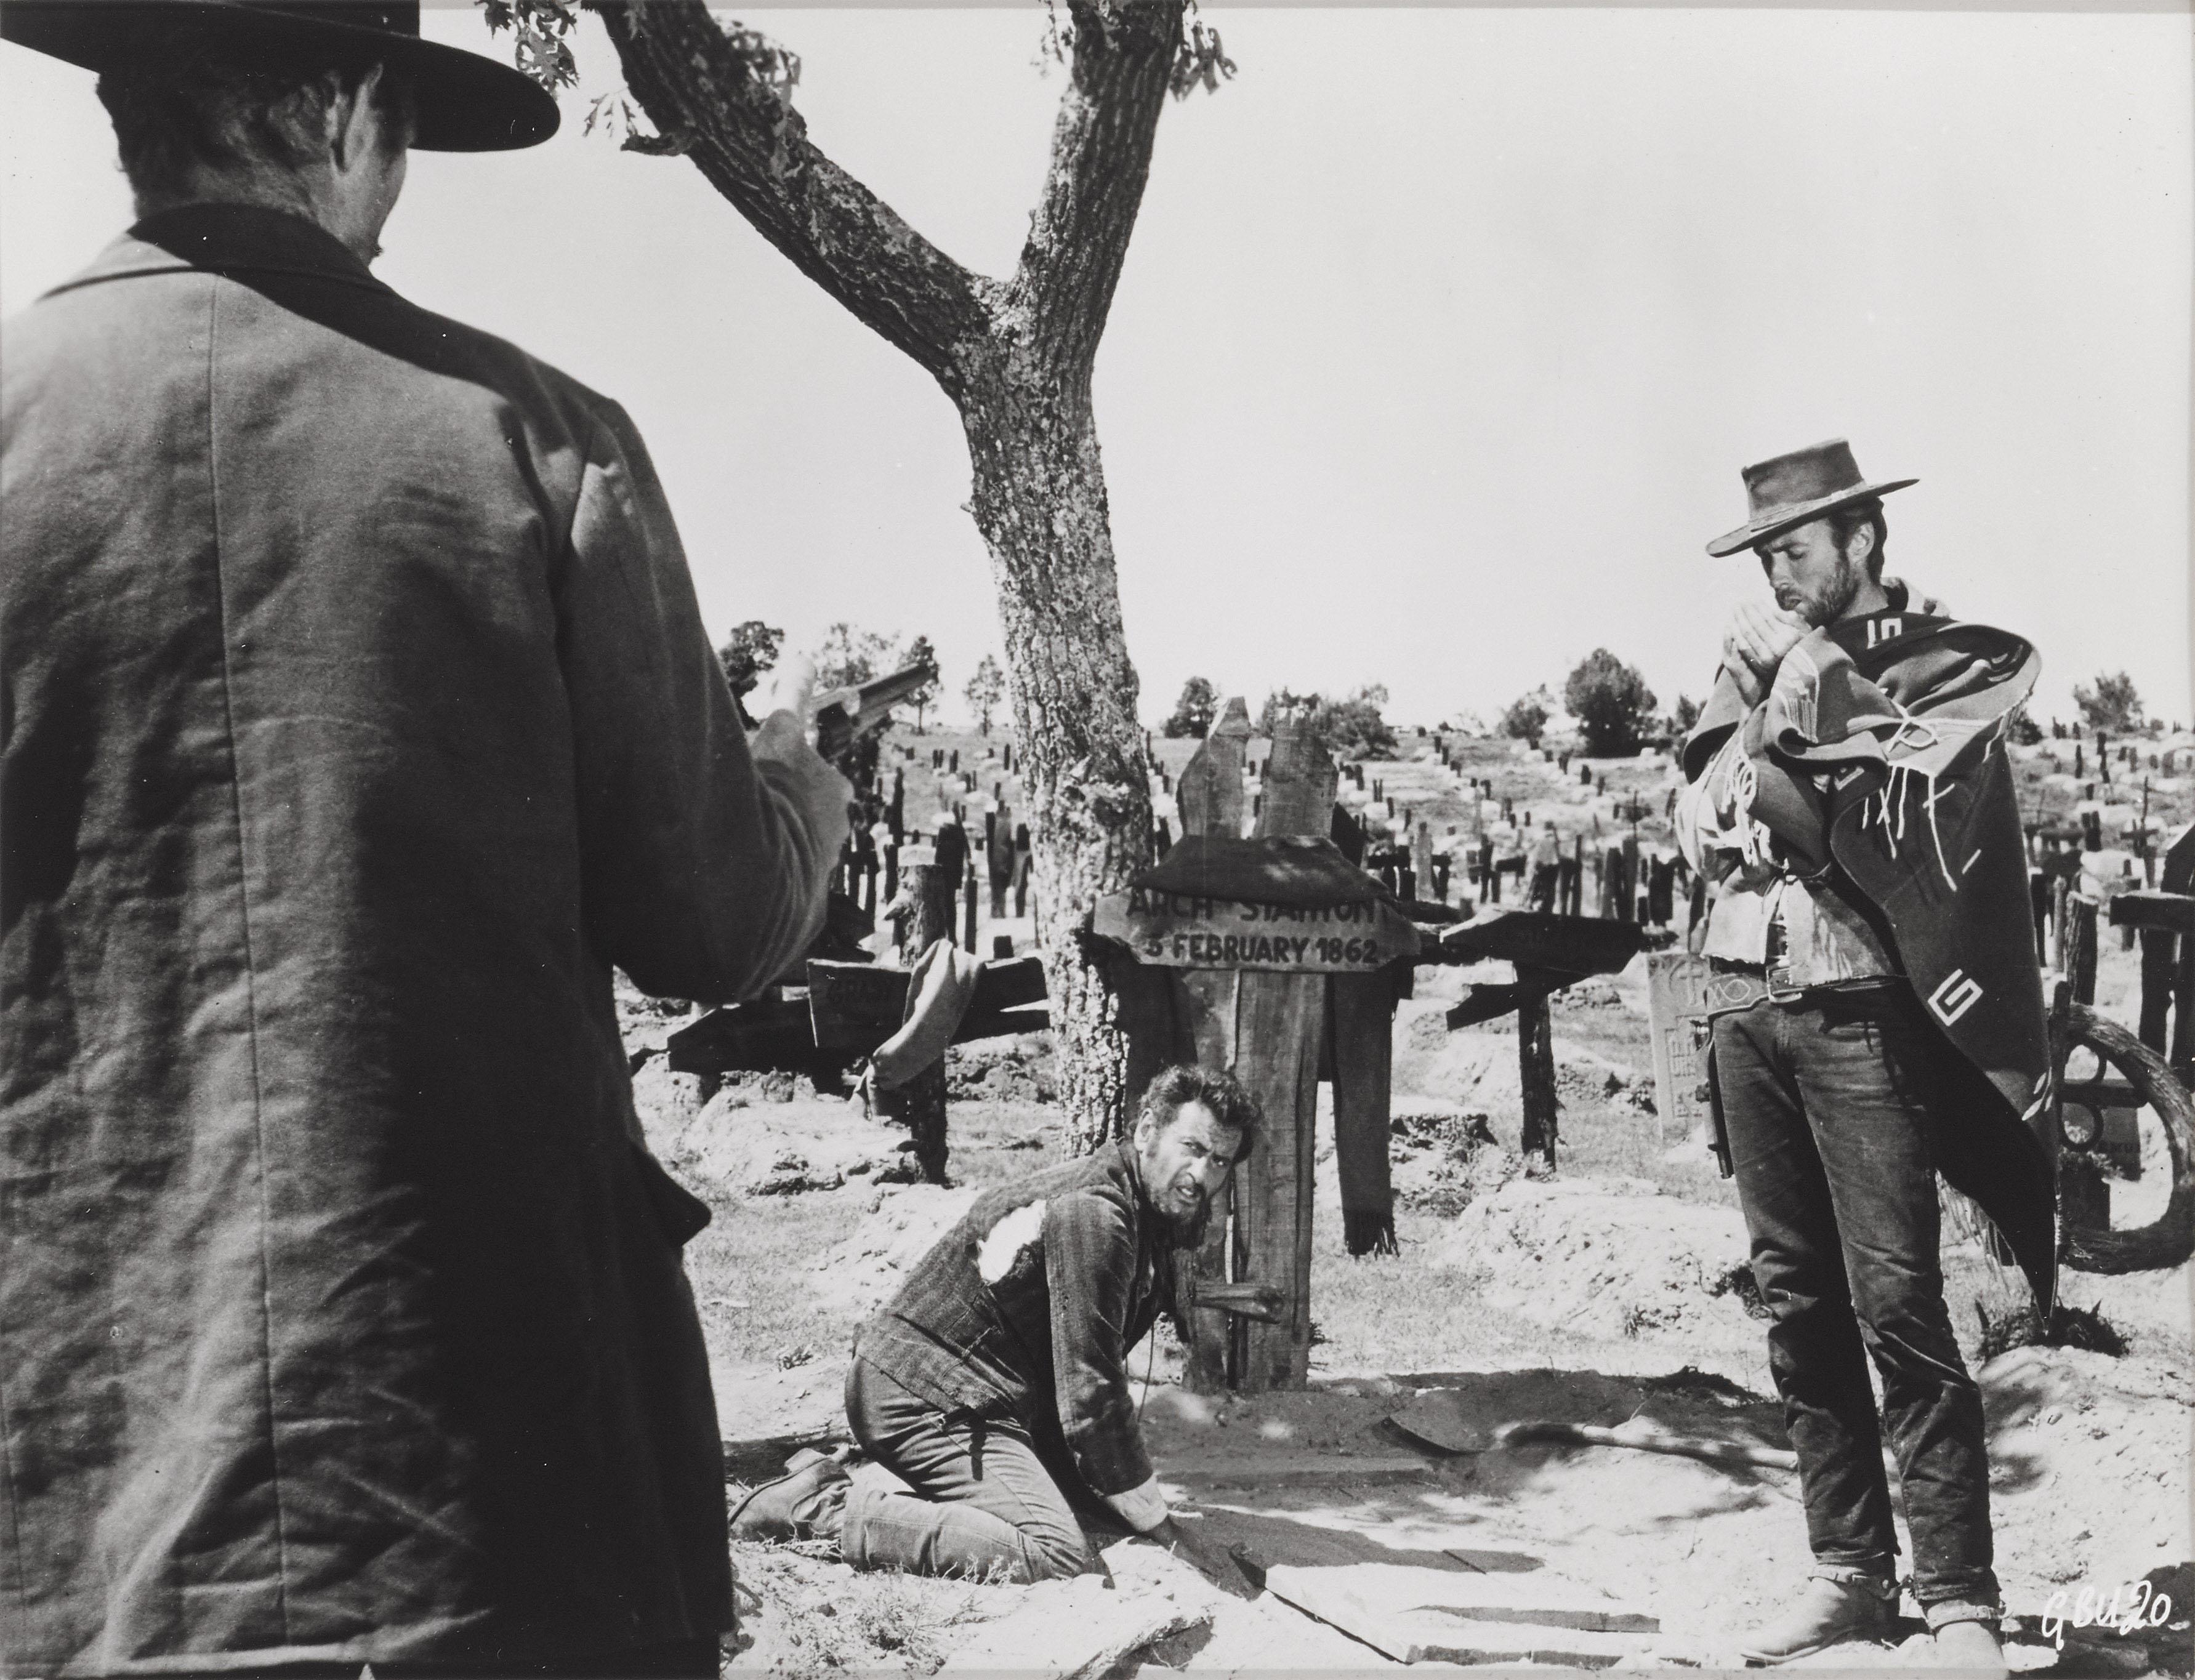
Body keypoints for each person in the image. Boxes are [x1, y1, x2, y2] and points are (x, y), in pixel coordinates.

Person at [0, 4, 852, 1673]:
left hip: (69, 1495)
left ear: (132, 109)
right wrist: (801, 794)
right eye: (400, 139)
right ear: (340, 116)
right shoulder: (533, 442)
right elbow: (713, 920)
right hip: (464, 1492)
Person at [1676, 441, 2053, 1676]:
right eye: (1766, 551)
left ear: (1863, 542)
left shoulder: (1934, 666)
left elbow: (1914, 826)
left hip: (1859, 1005)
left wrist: (1802, 703)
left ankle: (1959, 1600)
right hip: (1744, 998)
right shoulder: (1748, 668)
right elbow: (1699, 820)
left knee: (1896, 1298)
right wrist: (1746, 745)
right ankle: (1847, 1570)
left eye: (1797, 545)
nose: (1780, 568)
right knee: (1796, 1304)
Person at [730, 1066, 1260, 1591]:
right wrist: (1162, 1526)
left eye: (1219, 1160)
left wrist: (1129, 1505)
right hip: (919, 1395)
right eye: (1190, 1146)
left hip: (986, 1398)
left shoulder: (1141, 1209)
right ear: (1147, 1131)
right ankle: (817, 1507)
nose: (1201, 1173)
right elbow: (1089, 1389)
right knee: (1057, 1553)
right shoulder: (1096, 1212)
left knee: (1105, 1514)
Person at [1527, 821, 1561, 912]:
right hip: (1549, 866)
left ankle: (1537, 905)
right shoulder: (1549, 838)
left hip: (1546, 866)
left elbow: (1538, 854)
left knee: (1541, 888)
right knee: (1545, 890)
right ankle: (1542, 906)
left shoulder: (1545, 838)